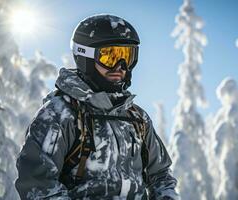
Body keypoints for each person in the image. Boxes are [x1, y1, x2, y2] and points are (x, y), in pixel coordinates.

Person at [15, 14, 178, 200]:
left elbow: (161, 175)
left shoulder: (137, 118)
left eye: (127, 56)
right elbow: (38, 185)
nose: (120, 66)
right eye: (110, 56)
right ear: (85, 56)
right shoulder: (60, 114)